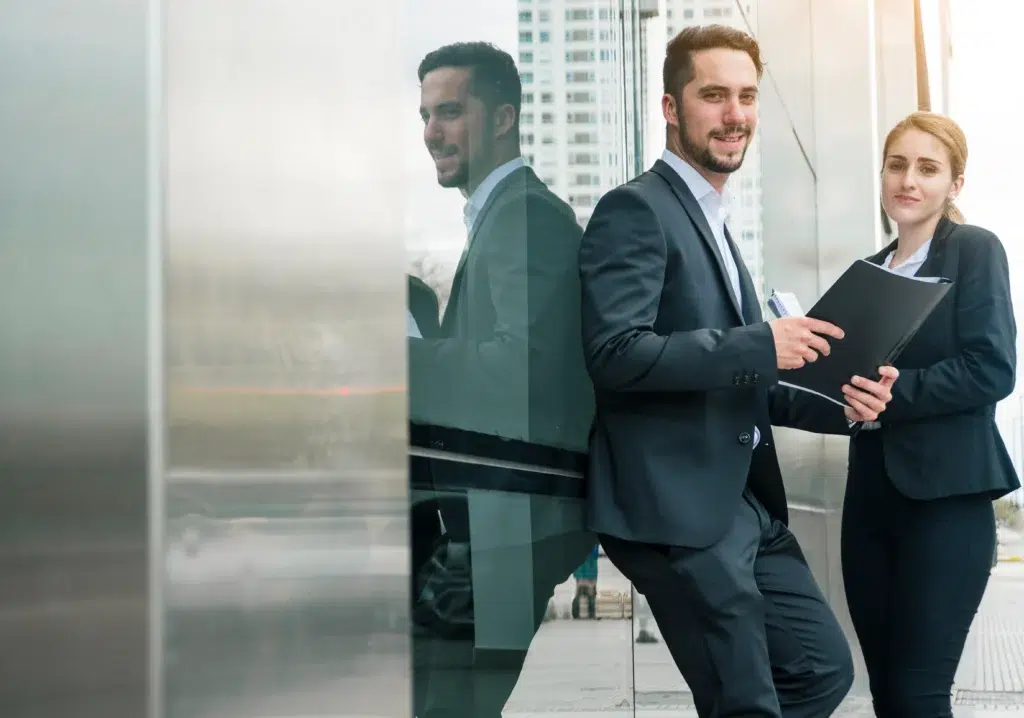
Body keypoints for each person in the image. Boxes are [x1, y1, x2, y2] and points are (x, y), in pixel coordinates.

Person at [578, 25, 899, 718]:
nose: (736, 114)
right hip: (678, 511)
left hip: (744, 504)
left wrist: (844, 403)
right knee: (746, 701)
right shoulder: (636, 210)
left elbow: (744, 376)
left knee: (821, 669)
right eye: (715, 95)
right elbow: (614, 354)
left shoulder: (715, 221)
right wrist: (760, 342)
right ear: (670, 107)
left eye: (747, 96)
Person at [410, 42, 594, 718]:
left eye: (452, 111)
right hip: (493, 525)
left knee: (444, 706)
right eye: (427, 115)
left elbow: (522, 367)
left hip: (507, 528)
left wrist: (403, 356)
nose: (433, 132)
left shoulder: (525, 216)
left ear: (504, 117)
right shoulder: (497, 216)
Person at [840, 111, 1019, 718]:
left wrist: (896, 394)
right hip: (868, 504)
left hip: (946, 502)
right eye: (897, 165)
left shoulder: (973, 250)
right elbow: (852, 387)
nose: (908, 180)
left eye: (927, 168)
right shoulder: (869, 272)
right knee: (887, 696)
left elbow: (993, 368)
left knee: (918, 697)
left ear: (955, 184)